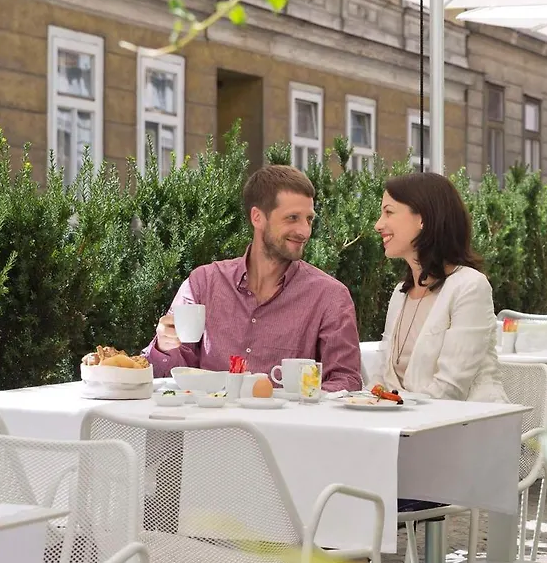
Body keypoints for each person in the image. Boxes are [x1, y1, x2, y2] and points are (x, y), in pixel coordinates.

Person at [145, 164, 362, 393]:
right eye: (292, 218)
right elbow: (170, 376)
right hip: (211, 416)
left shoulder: (330, 297)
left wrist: (297, 401)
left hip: (287, 417)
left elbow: (346, 381)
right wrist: (163, 346)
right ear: (257, 217)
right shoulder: (203, 283)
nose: (304, 231)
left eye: (309, 219)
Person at [372, 171, 507, 403]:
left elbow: (450, 388)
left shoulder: (469, 287)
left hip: (466, 421)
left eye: (389, 212)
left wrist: (396, 411)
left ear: (423, 218)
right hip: (405, 420)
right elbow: (381, 378)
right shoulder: (400, 294)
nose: (378, 225)